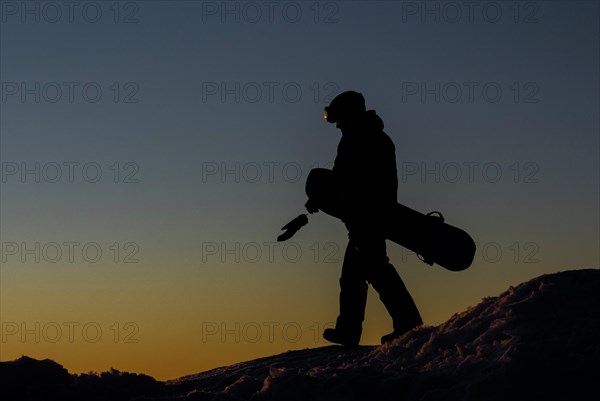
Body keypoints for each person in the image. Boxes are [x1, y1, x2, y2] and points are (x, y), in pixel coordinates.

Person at [305, 91, 423, 346]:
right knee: (354, 275)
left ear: (349, 114)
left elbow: (351, 179)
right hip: (364, 215)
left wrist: (327, 194)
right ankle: (349, 330)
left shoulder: (363, 137)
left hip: (369, 215)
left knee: (376, 268)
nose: (337, 125)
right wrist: (322, 196)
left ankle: (409, 324)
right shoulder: (361, 136)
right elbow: (343, 178)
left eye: (338, 118)